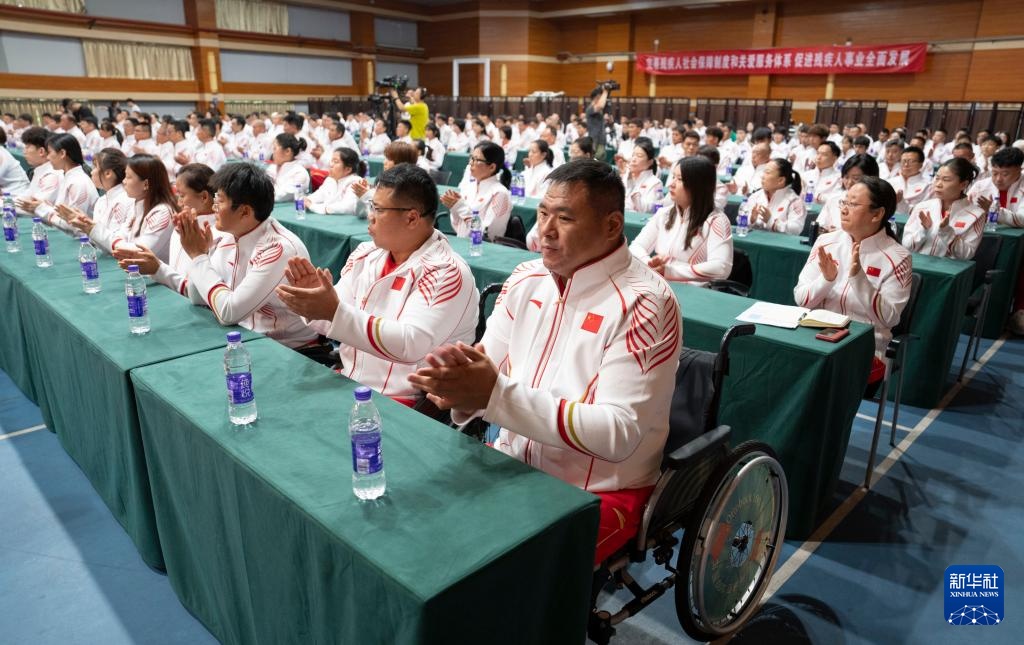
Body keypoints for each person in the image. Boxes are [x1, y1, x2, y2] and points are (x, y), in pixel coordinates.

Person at [408, 160, 682, 566]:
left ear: (611, 226)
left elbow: (619, 434)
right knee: (417, 524)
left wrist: (492, 394)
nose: (545, 231)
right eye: (542, 214)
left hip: (598, 488)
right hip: (510, 459)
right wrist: (458, 389)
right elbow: (486, 369)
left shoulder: (645, 302)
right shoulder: (526, 278)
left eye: (564, 218)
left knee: (483, 570)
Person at [277, 164, 478, 403]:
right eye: (372, 206)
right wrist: (312, 302)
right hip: (351, 381)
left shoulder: (445, 271)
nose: (370, 216)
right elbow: (330, 320)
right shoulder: (365, 254)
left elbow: (410, 344)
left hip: (407, 400)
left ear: (411, 218)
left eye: (379, 209)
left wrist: (333, 310)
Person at [176, 162, 318, 349]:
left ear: (244, 211)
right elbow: (197, 297)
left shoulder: (278, 248)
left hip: (290, 348)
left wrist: (198, 257)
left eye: (220, 200)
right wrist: (203, 254)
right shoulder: (229, 236)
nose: (214, 206)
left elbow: (229, 313)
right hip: (247, 337)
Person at [794, 177, 911, 384]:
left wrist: (859, 279)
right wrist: (827, 280)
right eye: (844, 202)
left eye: (853, 204)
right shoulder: (826, 242)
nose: (844, 210)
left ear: (877, 214)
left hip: (865, 348)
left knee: (819, 375)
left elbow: (889, 318)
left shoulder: (898, 257)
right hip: (815, 336)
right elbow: (801, 300)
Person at [112, 163, 220, 296]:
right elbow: (177, 274)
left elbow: (200, 290)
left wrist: (158, 269)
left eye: (182, 195)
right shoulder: (180, 226)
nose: (178, 202)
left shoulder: (217, 235)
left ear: (204, 197)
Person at [629, 156, 733, 285]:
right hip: (659, 283)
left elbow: (721, 267)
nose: (671, 184)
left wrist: (670, 271)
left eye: (679, 179)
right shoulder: (664, 214)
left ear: (698, 185)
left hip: (693, 290)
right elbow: (636, 246)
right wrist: (650, 264)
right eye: (673, 177)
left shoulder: (716, 221)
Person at [73, 154, 177, 260]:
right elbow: (120, 237)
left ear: (145, 184)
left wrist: (93, 229)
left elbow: (139, 252)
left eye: (128, 177)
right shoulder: (137, 206)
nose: (124, 181)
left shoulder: (161, 212)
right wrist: (91, 227)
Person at [902, 158, 983, 260]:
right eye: (937, 178)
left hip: (949, 269)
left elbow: (966, 255)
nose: (938, 184)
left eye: (946, 180)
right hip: (917, 266)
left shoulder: (976, 214)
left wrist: (946, 232)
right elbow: (906, 245)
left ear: (963, 185)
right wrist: (923, 231)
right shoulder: (922, 207)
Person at [440, 141, 512, 239]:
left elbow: (488, 235)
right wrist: (454, 207)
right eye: (471, 158)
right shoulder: (469, 187)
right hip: (463, 243)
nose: (471, 163)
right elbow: (459, 228)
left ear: (492, 167)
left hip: (483, 247)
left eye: (476, 160)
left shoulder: (500, 194)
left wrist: (460, 207)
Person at [33, 133, 99, 232]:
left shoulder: (78, 182)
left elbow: (75, 225)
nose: (48, 157)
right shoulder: (68, 176)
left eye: (50, 152)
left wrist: (42, 209)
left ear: (62, 153)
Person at [817, 153, 880, 233]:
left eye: (856, 178)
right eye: (846, 177)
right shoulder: (834, 200)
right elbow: (819, 225)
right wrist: (825, 231)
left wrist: (840, 233)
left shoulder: (876, 204)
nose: (849, 183)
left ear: (871, 179)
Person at [748, 158, 806, 235]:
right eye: (764, 172)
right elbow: (740, 218)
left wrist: (772, 222)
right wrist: (752, 220)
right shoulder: (756, 196)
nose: (762, 176)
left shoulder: (794, 201)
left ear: (781, 180)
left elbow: (796, 229)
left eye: (767, 172)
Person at [13, 127, 60, 216]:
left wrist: (6, 205)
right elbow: (25, 197)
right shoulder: (40, 170)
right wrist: (6, 202)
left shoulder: (52, 175)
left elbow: (33, 208)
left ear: (41, 151)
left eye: (27, 147)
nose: (24, 152)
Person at [305, 147, 366, 215]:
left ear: (348, 169)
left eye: (336, 162)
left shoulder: (356, 182)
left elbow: (347, 207)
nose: (331, 165)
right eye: (331, 161)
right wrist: (307, 200)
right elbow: (319, 194)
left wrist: (313, 206)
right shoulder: (330, 180)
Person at [618, 137, 663, 213]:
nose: (633, 159)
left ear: (650, 162)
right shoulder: (626, 176)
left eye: (639, 156)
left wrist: (636, 196)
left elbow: (652, 209)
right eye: (633, 155)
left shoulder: (656, 183)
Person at [886, 146, 932, 214]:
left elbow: (923, 211)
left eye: (911, 161)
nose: (906, 164)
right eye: (903, 161)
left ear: (921, 165)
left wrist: (901, 202)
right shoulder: (889, 182)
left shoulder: (928, 186)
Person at [266, 133, 310, 202]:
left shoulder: (300, 173)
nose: (272, 153)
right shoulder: (272, 168)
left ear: (287, 151)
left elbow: (282, 196)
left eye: (275, 148)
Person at [586, 86, 609, 161]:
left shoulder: (599, 112)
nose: (603, 100)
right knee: (595, 161)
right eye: (601, 97)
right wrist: (605, 92)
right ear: (596, 98)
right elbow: (600, 106)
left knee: (600, 162)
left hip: (601, 141)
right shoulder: (590, 109)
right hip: (594, 141)